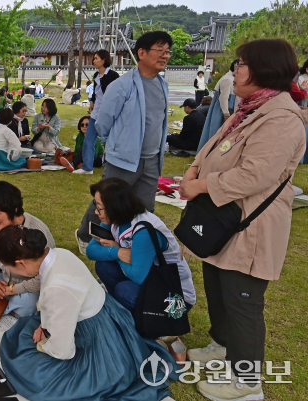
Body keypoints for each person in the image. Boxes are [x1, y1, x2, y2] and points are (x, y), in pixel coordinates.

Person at [179, 39, 307, 401]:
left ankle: (247, 383)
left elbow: (255, 175)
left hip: (251, 224)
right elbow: (212, 145)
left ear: (265, 69)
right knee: (218, 286)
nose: (234, 71)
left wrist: (200, 185)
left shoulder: (281, 118)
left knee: (242, 299)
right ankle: (222, 345)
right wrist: (192, 170)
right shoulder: (250, 108)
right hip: (225, 218)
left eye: (241, 64)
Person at [0, 226, 179, 401]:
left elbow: (62, 351)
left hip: (97, 341)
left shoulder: (57, 287)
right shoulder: (59, 253)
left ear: (20, 263)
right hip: (110, 317)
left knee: (31, 370)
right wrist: (44, 327)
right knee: (25, 332)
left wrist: (44, 344)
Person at [74, 32, 172, 254]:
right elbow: (103, 122)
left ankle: (136, 244)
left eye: (167, 52)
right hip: (122, 158)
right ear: (141, 53)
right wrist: (116, 146)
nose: (165, 56)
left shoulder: (162, 85)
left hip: (151, 158)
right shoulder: (122, 85)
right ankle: (84, 235)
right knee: (106, 201)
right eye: (160, 51)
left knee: (145, 207)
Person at [86, 178, 196, 311]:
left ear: (114, 207)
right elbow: (90, 250)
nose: (96, 212)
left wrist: (116, 252)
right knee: (104, 266)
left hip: (177, 298)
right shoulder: (116, 218)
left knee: (125, 291)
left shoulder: (144, 230)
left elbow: (138, 277)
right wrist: (118, 252)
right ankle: (121, 312)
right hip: (152, 279)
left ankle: (143, 320)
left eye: (99, 207)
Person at [0, 181, 56, 322]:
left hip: (29, 289)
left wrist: (13, 290)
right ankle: (11, 311)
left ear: (14, 208)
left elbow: (47, 275)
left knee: (29, 303)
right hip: (4, 282)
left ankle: (2, 308)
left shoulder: (37, 230)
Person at [73, 49, 120, 175]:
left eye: (96, 58)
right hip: (95, 113)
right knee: (89, 140)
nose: (93, 61)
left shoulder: (113, 76)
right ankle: (88, 167)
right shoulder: (96, 76)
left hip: (108, 114)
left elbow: (117, 94)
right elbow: (95, 92)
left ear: (104, 60)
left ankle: (113, 166)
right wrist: (92, 101)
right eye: (93, 58)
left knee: (109, 141)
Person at [198, 59, 240, 151]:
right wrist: (226, 114)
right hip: (222, 111)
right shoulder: (228, 79)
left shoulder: (232, 79)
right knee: (217, 134)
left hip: (228, 110)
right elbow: (223, 98)